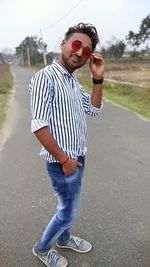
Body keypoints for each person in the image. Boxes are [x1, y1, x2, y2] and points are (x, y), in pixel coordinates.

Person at [29, 22, 104, 267]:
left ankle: (64, 238)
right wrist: (65, 160)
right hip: (62, 163)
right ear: (63, 43)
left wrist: (97, 79)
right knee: (68, 212)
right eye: (76, 44)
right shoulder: (45, 78)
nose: (80, 52)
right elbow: (39, 125)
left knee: (68, 205)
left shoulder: (72, 82)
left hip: (76, 159)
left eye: (87, 50)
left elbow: (93, 109)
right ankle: (42, 248)